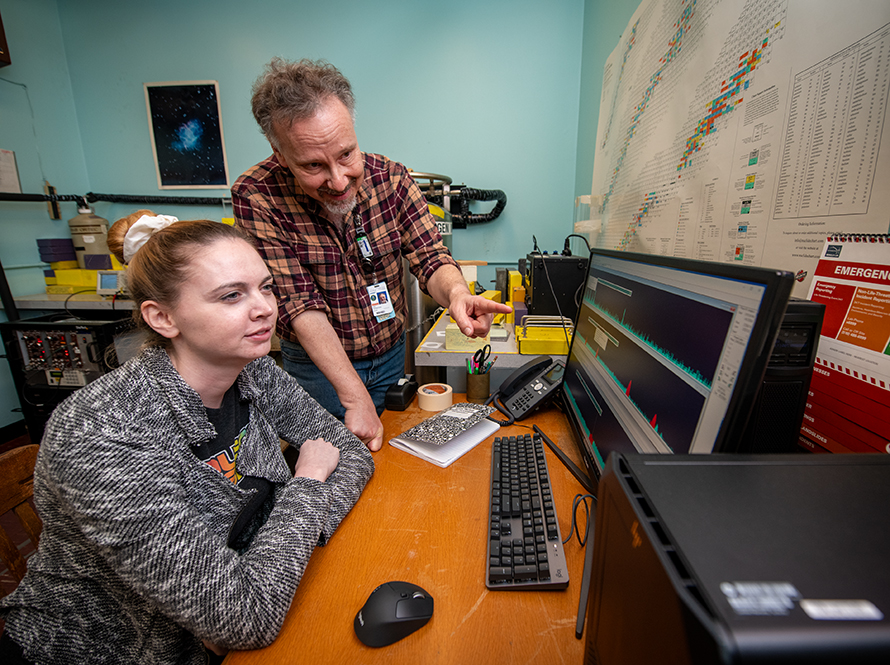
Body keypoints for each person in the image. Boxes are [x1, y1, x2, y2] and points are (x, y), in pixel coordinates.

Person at [0, 211, 374, 665]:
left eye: (266, 287)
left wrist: (268, 565)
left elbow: (352, 453)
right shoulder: (101, 433)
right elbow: (246, 618)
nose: (265, 309)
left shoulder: (251, 368)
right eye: (232, 295)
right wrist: (308, 482)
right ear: (163, 317)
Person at [232, 58, 512, 452]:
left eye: (347, 154)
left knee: (394, 464)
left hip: (391, 355)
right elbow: (298, 305)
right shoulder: (257, 196)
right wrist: (352, 395)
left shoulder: (391, 179)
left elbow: (430, 255)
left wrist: (457, 295)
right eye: (313, 165)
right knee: (333, 475)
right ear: (279, 154)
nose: (338, 179)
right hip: (319, 371)